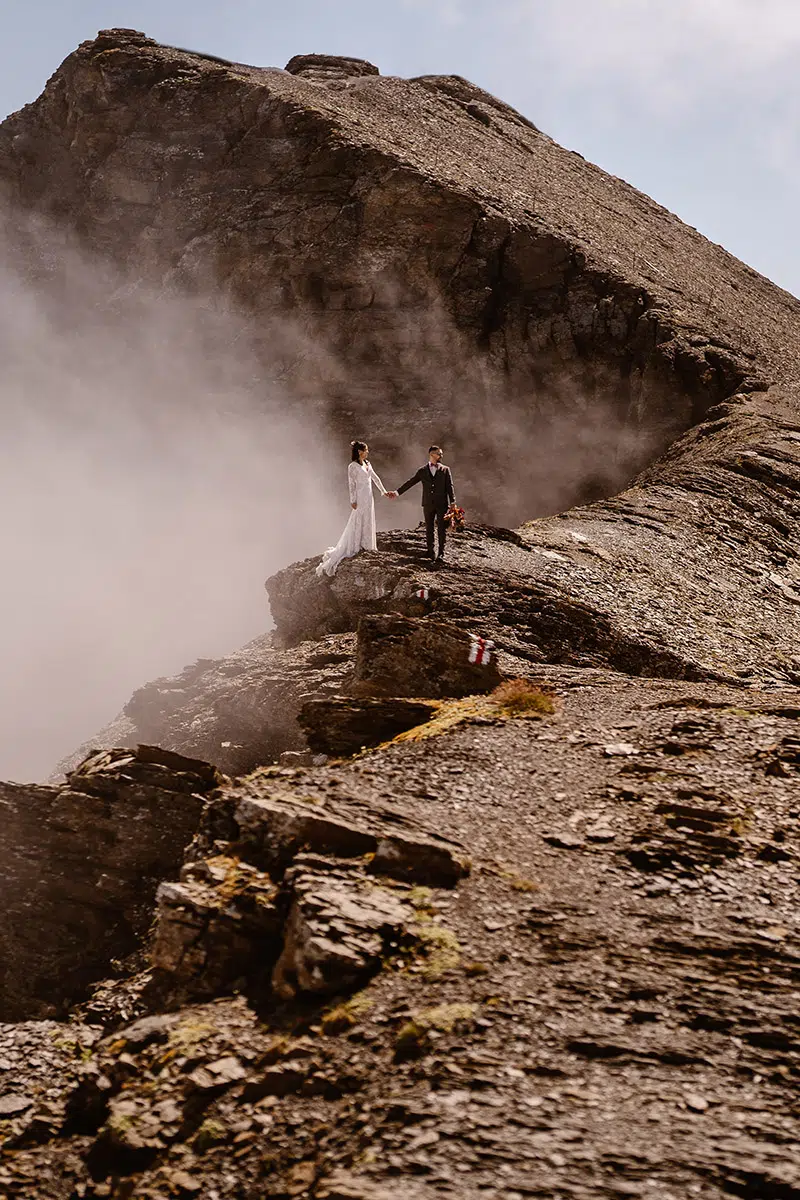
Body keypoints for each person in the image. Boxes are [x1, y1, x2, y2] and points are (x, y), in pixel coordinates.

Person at [316, 440, 397, 577]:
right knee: (358, 519)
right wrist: (353, 500)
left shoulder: (367, 464)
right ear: (360, 452)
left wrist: (383, 491)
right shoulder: (352, 466)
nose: (368, 452)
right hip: (360, 497)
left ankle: (367, 543)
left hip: (369, 497)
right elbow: (351, 484)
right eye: (366, 450)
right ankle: (355, 544)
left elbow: (375, 479)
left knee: (368, 518)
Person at [396, 445, 456, 563]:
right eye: (439, 453)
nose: (441, 456)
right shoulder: (422, 471)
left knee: (441, 529)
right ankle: (430, 551)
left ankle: (441, 553)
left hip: (442, 504)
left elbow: (450, 486)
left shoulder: (445, 469)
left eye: (441, 454)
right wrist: (397, 492)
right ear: (432, 454)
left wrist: (453, 501)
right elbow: (411, 482)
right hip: (428, 503)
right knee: (429, 528)